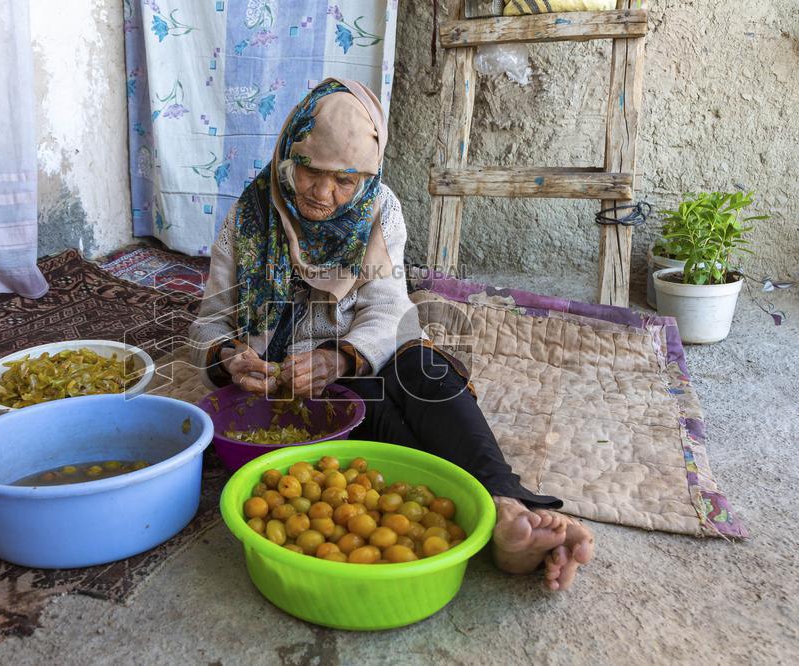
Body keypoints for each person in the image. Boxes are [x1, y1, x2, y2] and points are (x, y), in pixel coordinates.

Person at [188, 78, 593, 591]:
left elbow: (387, 307)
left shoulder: (381, 210)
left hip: (357, 353)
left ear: (367, 177)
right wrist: (227, 356)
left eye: (344, 181)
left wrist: (342, 355)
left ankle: (509, 498)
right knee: (366, 409)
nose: (322, 193)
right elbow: (210, 321)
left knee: (426, 370)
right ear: (288, 155)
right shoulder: (247, 217)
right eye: (310, 171)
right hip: (283, 377)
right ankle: (485, 516)